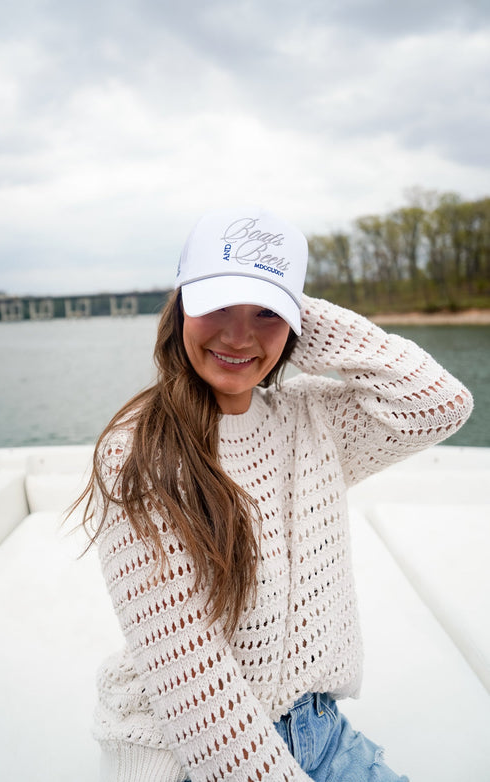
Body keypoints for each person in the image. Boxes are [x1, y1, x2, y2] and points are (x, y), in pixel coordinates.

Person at [78, 207, 472, 782]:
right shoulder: (139, 454)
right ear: (181, 303)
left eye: (266, 312)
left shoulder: (309, 417)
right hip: (193, 756)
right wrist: (266, 305)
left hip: (322, 731)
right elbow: (196, 688)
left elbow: (439, 403)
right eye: (217, 306)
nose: (238, 336)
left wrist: (292, 312)